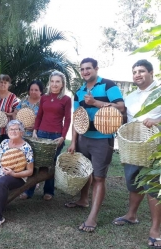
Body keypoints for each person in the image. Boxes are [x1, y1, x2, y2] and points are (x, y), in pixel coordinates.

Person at [66, 58, 125, 232]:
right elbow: (77, 117)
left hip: (102, 139)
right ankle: (83, 200)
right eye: (82, 69)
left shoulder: (108, 85)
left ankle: (92, 218)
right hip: (84, 138)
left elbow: (121, 107)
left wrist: (96, 103)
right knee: (85, 173)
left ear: (96, 69)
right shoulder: (79, 92)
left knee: (98, 177)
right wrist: (74, 142)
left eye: (88, 69)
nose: (85, 72)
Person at [112, 60, 161, 248]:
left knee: (153, 186)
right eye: (134, 72)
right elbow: (125, 118)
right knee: (133, 181)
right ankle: (131, 215)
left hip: (155, 147)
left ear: (151, 72)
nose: (137, 74)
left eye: (141, 71)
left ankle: (156, 229)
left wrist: (157, 119)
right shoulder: (130, 96)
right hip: (133, 146)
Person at [24, 71, 71, 201]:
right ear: (49, 83)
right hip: (41, 134)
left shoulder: (66, 99)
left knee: (51, 163)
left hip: (56, 135)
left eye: (58, 82)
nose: (54, 84)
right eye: (52, 81)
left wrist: (63, 136)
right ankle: (29, 190)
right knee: (35, 162)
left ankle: (48, 191)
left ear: (62, 84)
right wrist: (35, 130)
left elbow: (67, 120)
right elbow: (39, 116)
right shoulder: (44, 97)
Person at [12, 80, 43, 199]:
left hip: (35, 136)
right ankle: (20, 182)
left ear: (41, 91)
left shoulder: (43, 103)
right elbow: (15, 112)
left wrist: (36, 126)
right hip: (22, 135)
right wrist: (17, 124)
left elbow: (45, 118)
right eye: (31, 89)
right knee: (21, 158)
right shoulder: (24, 102)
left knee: (33, 161)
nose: (33, 92)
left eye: (36, 90)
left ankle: (33, 184)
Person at [0, 74, 19, 147]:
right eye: (1, 82)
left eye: (5, 83)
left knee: (5, 148)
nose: (3, 84)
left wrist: (7, 114)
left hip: (7, 128)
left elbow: (16, 112)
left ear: (9, 85)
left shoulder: (13, 97)